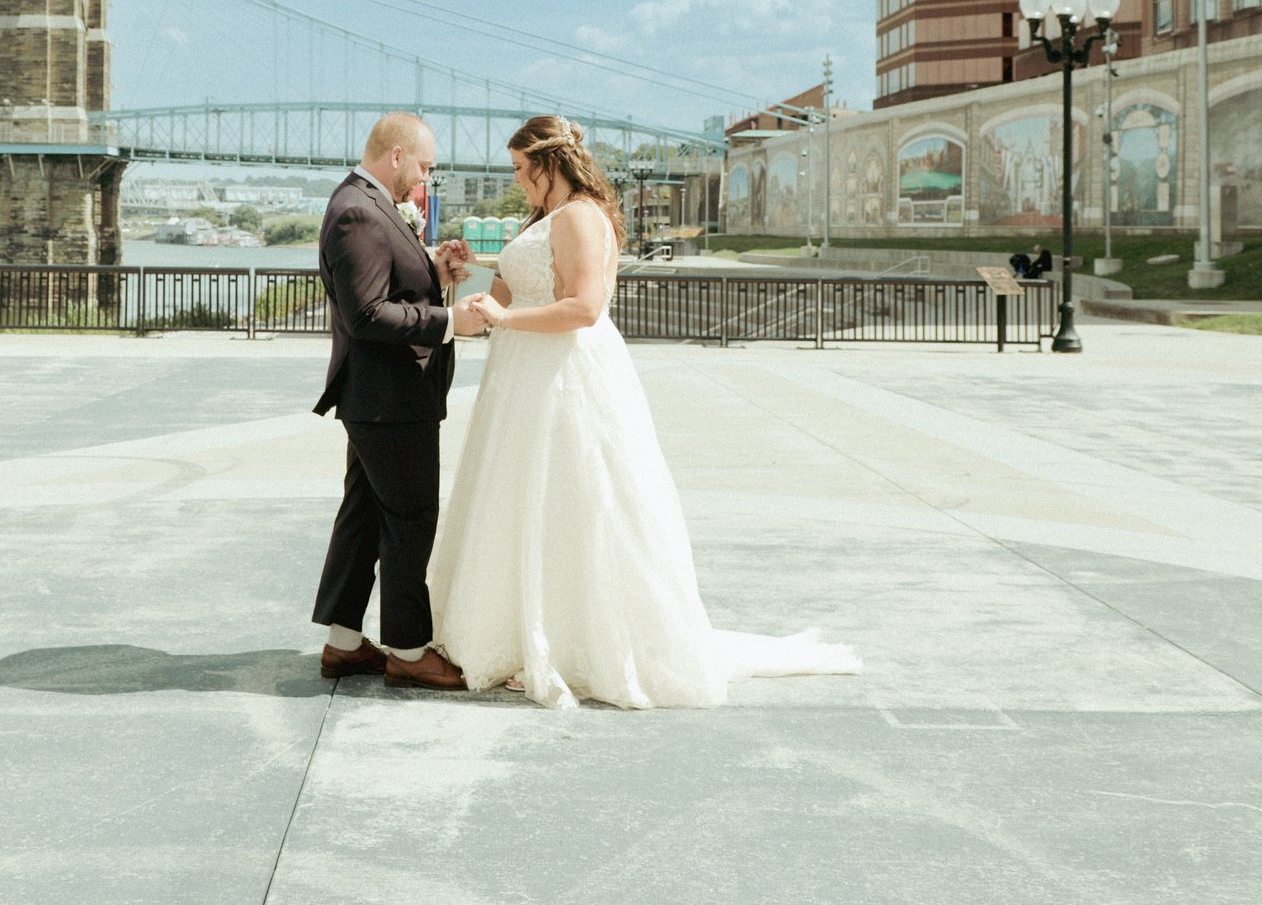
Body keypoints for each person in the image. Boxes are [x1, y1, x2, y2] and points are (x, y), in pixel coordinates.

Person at [429, 115, 861, 709]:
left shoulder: (581, 215)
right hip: (521, 379)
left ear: (547, 163)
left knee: (575, 500)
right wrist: (461, 276)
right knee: (522, 498)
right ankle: (518, 631)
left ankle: (572, 639)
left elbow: (583, 307)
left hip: (564, 376)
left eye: (520, 169)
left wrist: (503, 318)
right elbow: (500, 303)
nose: (517, 180)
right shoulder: (545, 219)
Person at [310, 112, 480, 690]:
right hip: (388, 402)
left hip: (380, 398)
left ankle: (343, 643)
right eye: (426, 168)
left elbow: (387, 288)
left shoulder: (370, 203)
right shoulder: (359, 210)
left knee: (362, 518)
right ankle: (408, 651)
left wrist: (434, 272)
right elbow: (365, 315)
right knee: (410, 521)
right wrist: (451, 321)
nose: (427, 181)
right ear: (399, 155)